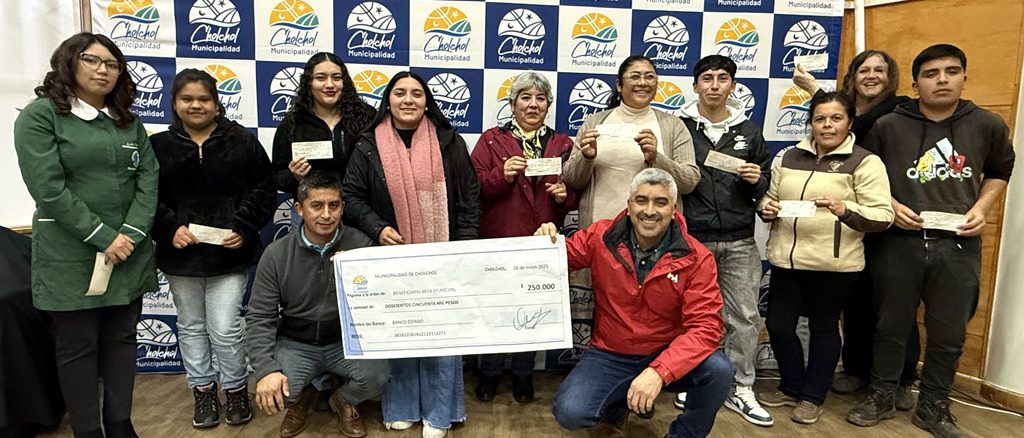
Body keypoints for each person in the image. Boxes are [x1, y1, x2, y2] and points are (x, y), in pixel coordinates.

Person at [847, 44, 1015, 438]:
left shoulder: (986, 125)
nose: (942, 80)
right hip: (898, 242)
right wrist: (890, 205)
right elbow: (862, 173)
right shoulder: (888, 125)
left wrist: (983, 208)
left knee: (949, 332)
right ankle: (882, 395)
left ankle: (934, 406)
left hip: (957, 245)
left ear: (964, 78)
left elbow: (1000, 170)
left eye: (951, 72)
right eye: (931, 73)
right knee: (889, 326)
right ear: (915, 84)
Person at [13, 32, 159, 438]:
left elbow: (148, 179)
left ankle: (120, 424)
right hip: (71, 254)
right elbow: (48, 189)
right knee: (77, 348)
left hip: (128, 251)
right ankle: (87, 430)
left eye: (112, 64)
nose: (103, 70)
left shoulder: (127, 121)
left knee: (122, 340)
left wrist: (129, 234)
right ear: (69, 62)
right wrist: (103, 236)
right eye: (92, 60)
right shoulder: (41, 116)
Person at [539, 168, 731, 438]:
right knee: (570, 412)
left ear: (674, 209)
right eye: (641, 201)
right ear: (629, 206)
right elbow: (557, 258)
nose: (649, 211)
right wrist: (544, 242)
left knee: (719, 370)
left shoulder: (697, 257)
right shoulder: (600, 236)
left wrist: (659, 372)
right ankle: (619, 405)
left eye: (660, 202)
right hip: (611, 352)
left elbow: (706, 327)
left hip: (667, 351)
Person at [342, 71, 480, 438]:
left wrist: (463, 246)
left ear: (427, 102)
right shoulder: (368, 144)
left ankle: (440, 412)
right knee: (401, 331)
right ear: (388, 101)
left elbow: (468, 197)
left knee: (442, 334)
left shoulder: (449, 141)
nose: (408, 100)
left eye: (416, 94)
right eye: (400, 93)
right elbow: (351, 196)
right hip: (392, 256)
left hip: (443, 255)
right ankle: (401, 406)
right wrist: (377, 228)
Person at [756, 92, 894, 424]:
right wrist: (766, 208)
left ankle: (813, 396)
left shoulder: (865, 161)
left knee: (823, 328)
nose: (827, 125)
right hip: (787, 260)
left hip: (834, 265)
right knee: (778, 326)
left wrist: (845, 209)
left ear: (849, 122)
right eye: (820, 119)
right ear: (811, 123)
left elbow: (883, 216)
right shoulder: (789, 157)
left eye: (835, 118)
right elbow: (769, 199)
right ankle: (791, 386)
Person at [149, 69, 276, 429]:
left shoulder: (243, 141)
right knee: (191, 326)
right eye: (187, 99)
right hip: (181, 257)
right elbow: (148, 197)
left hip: (230, 254)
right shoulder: (158, 146)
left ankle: (235, 389)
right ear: (175, 103)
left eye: (204, 99)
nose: (196, 105)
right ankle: (203, 391)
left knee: (224, 327)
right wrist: (169, 229)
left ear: (217, 103)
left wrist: (245, 226)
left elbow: (264, 190)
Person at [795, 50, 920, 400]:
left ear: (890, 76)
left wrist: (815, 90)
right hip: (846, 225)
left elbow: (864, 140)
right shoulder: (849, 111)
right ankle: (856, 370)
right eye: (864, 70)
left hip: (886, 219)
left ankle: (901, 378)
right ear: (852, 75)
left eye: (879, 70)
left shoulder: (899, 109)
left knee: (895, 304)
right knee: (855, 302)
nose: (872, 76)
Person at [246, 171, 389, 438]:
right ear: (299, 209)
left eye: (333, 205)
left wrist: (356, 270)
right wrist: (265, 370)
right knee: (276, 393)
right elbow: (259, 317)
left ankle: (343, 400)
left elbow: (383, 300)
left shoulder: (360, 246)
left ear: (342, 208)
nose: (326, 215)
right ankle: (301, 397)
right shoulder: (276, 254)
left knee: (379, 377)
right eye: (316, 206)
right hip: (296, 343)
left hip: (345, 343)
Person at [678, 55, 773, 427]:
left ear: (733, 86)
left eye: (722, 78)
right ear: (695, 85)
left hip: (739, 239)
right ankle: (692, 379)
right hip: (693, 239)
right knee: (692, 315)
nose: (714, 85)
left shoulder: (748, 131)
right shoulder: (680, 127)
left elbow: (764, 185)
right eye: (707, 78)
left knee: (744, 317)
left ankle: (740, 386)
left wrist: (756, 180)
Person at [469, 71, 575, 404]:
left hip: (542, 241)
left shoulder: (562, 144)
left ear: (548, 105)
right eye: (525, 98)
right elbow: (473, 187)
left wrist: (565, 196)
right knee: (496, 309)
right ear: (512, 104)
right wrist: (500, 175)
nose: (533, 104)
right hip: (499, 238)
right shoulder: (491, 139)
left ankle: (523, 373)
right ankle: (489, 373)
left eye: (540, 98)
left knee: (532, 311)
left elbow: (576, 189)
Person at [563, 55, 700, 229]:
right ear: (619, 85)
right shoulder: (594, 122)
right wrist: (586, 157)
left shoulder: (673, 125)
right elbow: (572, 180)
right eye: (635, 76)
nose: (643, 82)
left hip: (654, 234)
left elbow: (689, 182)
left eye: (649, 77)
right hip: (599, 231)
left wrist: (656, 158)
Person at [272, 52, 376, 218]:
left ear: (344, 82)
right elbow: (277, 177)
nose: (330, 84)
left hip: (361, 212)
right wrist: (294, 176)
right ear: (309, 82)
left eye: (336, 77)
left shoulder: (367, 118)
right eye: (321, 78)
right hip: (312, 214)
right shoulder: (292, 124)